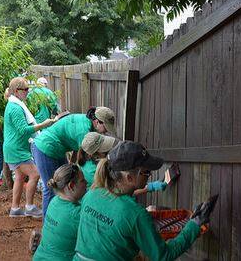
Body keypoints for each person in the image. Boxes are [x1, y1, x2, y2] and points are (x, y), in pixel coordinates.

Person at [74, 141, 213, 261]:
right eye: (146, 172)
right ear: (129, 178)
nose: (150, 175)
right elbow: (163, 256)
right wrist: (194, 225)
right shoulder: (135, 214)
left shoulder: (91, 194)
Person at [32, 106, 115, 217]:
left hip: (57, 149)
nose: (105, 132)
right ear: (97, 122)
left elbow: (78, 150)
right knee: (53, 188)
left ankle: (62, 217)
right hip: (45, 148)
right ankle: (48, 225)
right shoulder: (84, 131)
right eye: (105, 128)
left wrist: (72, 165)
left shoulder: (88, 124)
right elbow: (85, 157)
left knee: (65, 183)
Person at [3, 77, 56, 218]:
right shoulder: (15, 107)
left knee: (20, 177)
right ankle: (30, 207)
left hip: (15, 148)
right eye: (25, 89)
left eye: (28, 89)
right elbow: (23, 130)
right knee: (35, 174)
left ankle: (15, 209)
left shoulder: (15, 104)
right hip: (16, 150)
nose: (28, 92)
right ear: (16, 91)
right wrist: (43, 124)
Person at [79, 132, 167, 195]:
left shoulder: (92, 162)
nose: (109, 151)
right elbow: (119, 192)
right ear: (93, 155)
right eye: (105, 150)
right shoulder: (93, 171)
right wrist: (150, 187)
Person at [33, 164, 86, 261]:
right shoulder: (77, 214)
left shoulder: (54, 201)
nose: (86, 183)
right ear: (71, 186)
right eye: (82, 181)